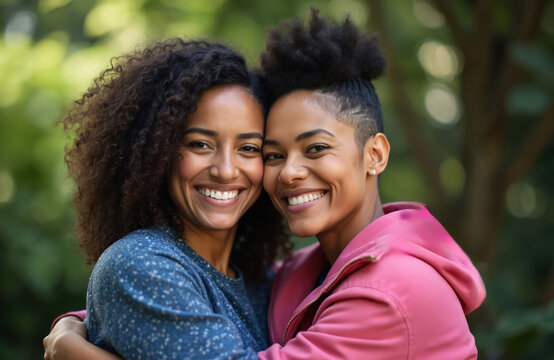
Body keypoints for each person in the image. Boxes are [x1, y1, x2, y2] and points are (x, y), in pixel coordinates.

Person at [45, 10, 486, 360]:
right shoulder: (298, 275)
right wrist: (76, 322)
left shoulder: (389, 292)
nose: (289, 172)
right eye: (273, 154)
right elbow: (151, 295)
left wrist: (77, 352)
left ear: (375, 155)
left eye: (315, 149)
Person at [43, 38, 292, 359]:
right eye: (200, 144)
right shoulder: (140, 263)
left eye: (248, 148)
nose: (226, 170)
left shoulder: (264, 282)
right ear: (158, 152)